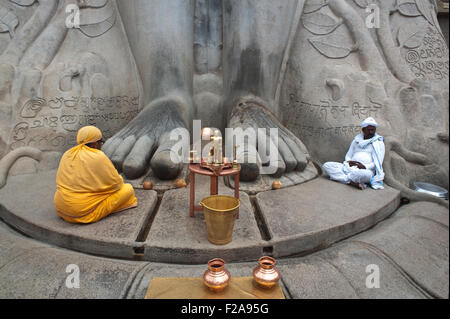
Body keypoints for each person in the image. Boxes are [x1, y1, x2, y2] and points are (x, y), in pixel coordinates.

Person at [54, 126, 138, 224]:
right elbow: (116, 184)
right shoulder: (98, 156)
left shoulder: (67, 154)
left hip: (61, 207)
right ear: (94, 143)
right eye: (100, 142)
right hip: (81, 212)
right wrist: (119, 179)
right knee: (127, 189)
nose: (101, 145)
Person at [322, 117, 385, 190]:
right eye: (369, 130)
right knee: (327, 165)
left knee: (361, 174)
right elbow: (348, 155)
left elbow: (378, 162)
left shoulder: (378, 143)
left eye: (373, 130)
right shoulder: (356, 140)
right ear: (363, 130)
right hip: (350, 168)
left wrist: (364, 166)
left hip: (366, 170)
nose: (371, 132)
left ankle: (344, 179)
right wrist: (349, 162)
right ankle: (352, 181)